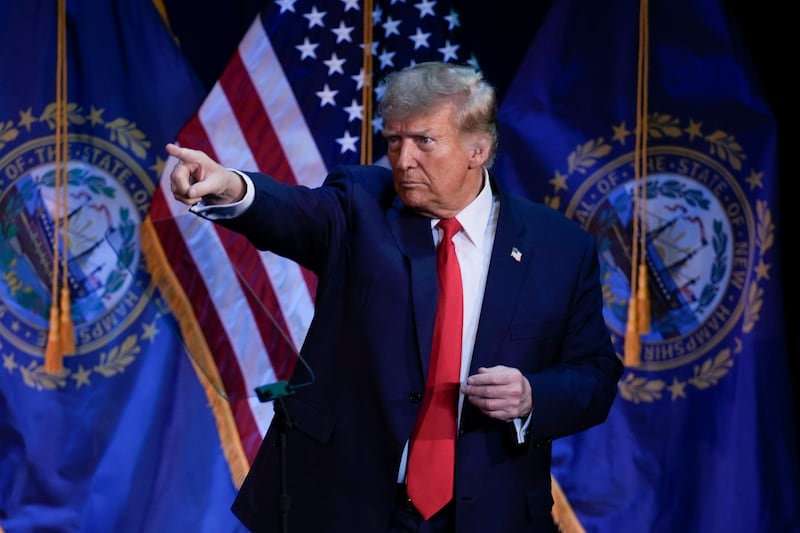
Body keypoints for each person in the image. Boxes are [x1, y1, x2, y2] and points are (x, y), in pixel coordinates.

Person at [166, 61, 623, 533]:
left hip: (489, 513)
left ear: (477, 149)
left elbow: (595, 376)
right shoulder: (360, 203)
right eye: (394, 141)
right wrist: (231, 188)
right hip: (349, 507)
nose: (403, 160)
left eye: (424, 141)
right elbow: (293, 213)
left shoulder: (559, 248)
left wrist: (532, 396)